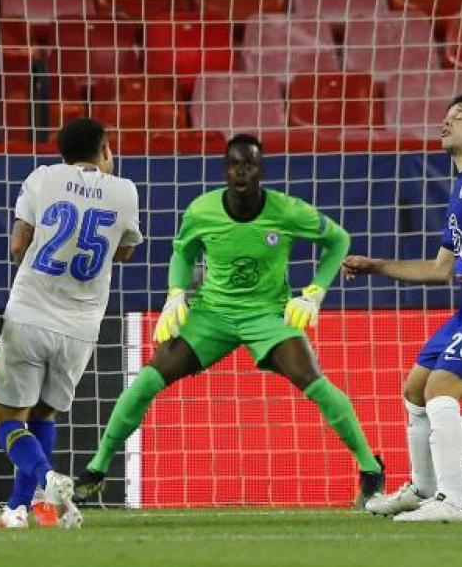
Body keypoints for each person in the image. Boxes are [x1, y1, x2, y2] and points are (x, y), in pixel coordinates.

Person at [74, 134, 385, 507]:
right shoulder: (202, 211)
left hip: (267, 315)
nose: (241, 171)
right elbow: (183, 253)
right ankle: (97, 467)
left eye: (249, 164)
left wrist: (315, 291)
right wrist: (175, 294)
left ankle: (370, 468)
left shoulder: (287, 211)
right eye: (235, 164)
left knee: (314, 382)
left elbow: (339, 240)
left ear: (260, 169)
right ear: (226, 169)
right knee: (147, 381)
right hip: (212, 315)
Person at [344, 94, 462, 523]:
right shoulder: (459, 190)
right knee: (416, 386)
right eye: (447, 116)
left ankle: (454, 501)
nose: (446, 122)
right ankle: (423, 489)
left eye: (459, 117)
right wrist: (376, 265)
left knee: (441, 388)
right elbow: (438, 269)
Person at [0, 117, 142, 530]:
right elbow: (124, 253)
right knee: (44, 415)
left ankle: (45, 480)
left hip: (31, 312)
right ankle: (18, 510)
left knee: (6, 419)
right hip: (81, 326)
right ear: (106, 149)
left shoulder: (43, 178)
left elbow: (19, 244)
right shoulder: (125, 192)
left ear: (62, 154)